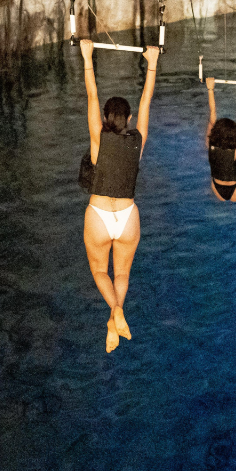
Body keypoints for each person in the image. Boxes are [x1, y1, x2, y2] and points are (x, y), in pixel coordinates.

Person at [80, 39, 160, 352]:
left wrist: (87, 57)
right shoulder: (137, 141)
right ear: (127, 120)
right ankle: (117, 314)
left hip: (98, 214)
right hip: (127, 217)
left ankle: (116, 312)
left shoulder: (98, 140)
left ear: (105, 117)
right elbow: (146, 103)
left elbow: (91, 94)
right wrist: (151, 62)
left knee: (100, 271)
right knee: (121, 273)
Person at [205, 78, 236, 202]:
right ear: (234, 133)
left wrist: (210, 88)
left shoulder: (211, 142)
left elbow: (212, 114)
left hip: (216, 189)